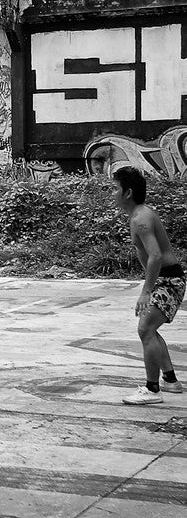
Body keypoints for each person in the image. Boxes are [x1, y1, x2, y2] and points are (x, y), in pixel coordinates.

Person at [113, 167, 183, 405]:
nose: (112, 193)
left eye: (115, 188)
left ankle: (152, 390)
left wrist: (146, 292)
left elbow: (155, 256)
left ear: (128, 193)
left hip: (169, 280)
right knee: (150, 328)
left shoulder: (141, 218)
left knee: (145, 329)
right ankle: (171, 381)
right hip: (166, 279)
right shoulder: (138, 215)